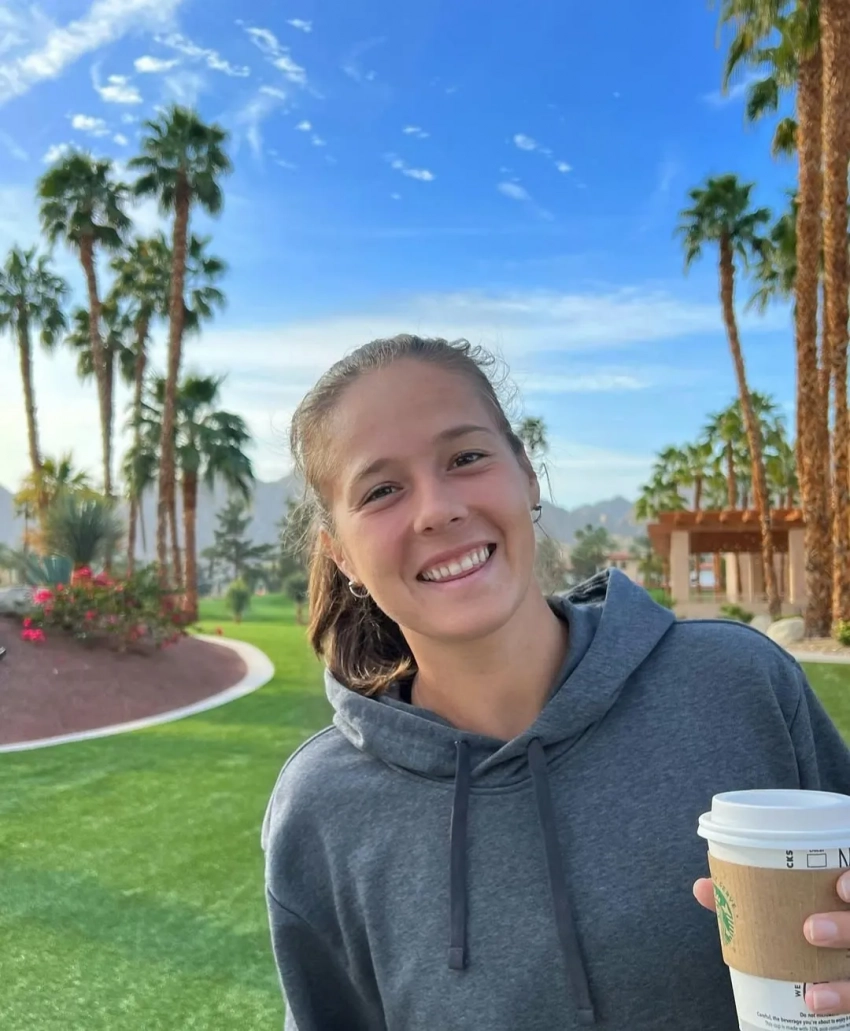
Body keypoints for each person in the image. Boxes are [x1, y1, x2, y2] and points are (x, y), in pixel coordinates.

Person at [261, 334, 850, 1030]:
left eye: (465, 457)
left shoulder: (739, 684)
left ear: (527, 476)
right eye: (381, 490)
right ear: (341, 555)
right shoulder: (321, 810)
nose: (437, 509)